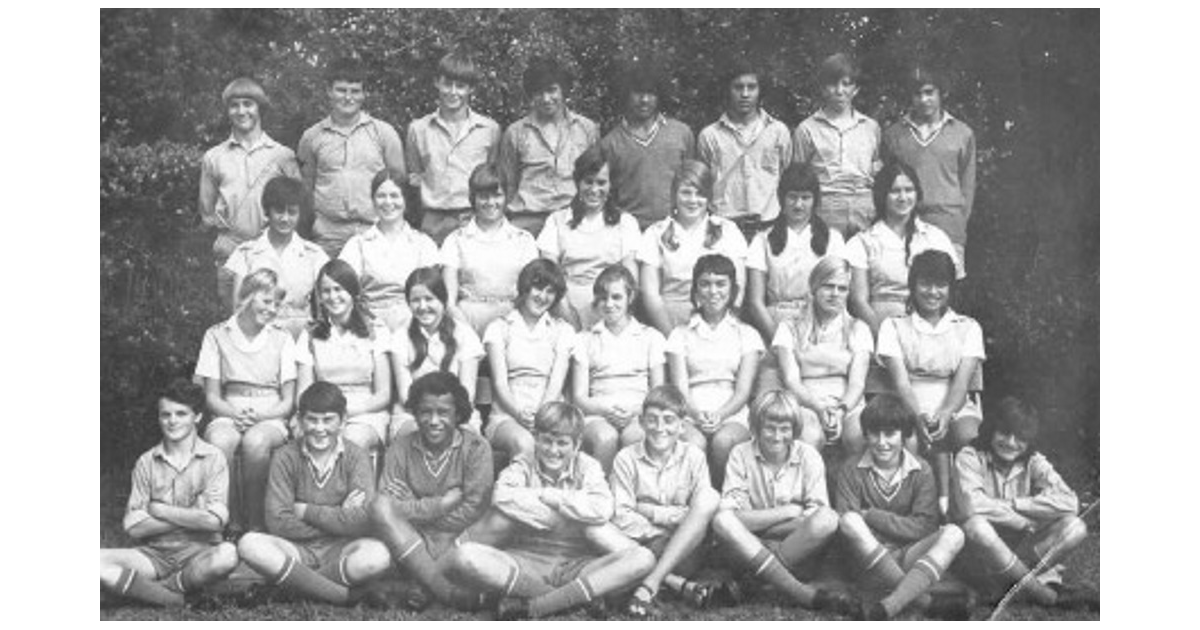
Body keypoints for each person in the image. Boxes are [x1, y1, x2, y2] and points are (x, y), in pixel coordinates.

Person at [444, 402, 656, 619]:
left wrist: (556, 498)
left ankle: (537, 605)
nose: (553, 450)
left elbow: (602, 507)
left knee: (643, 558)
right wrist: (566, 515)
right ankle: (568, 599)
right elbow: (503, 496)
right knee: (465, 556)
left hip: (577, 566)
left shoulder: (588, 466)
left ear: (577, 444)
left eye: (562, 443)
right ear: (536, 438)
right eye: (546, 441)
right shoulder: (524, 464)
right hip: (525, 561)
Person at [237, 382, 392, 606]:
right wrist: (339, 514)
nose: (320, 428)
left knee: (377, 555)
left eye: (328, 419)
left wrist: (304, 510)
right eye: (312, 419)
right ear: (300, 420)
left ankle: (288, 590)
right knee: (249, 544)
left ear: (343, 420)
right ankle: (343, 596)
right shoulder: (285, 457)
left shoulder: (356, 456)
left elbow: (362, 521)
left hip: (341, 548)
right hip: (295, 549)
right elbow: (277, 522)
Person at [710, 390, 855, 615]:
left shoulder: (808, 456)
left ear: (795, 429)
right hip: (750, 545)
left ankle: (752, 584)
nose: (777, 436)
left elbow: (816, 517)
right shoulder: (740, 454)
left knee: (828, 518)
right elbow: (732, 517)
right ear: (756, 427)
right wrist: (787, 512)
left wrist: (759, 522)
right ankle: (801, 592)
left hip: (795, 547)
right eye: (769, 428)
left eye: (785, 429)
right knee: (721, 521)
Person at [100, 380, 238, 608]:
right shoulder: (146, 461)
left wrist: (159, 510)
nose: (172, 421)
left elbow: (214, 522)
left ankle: (162, 590)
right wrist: (194, 515)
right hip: (154, 555)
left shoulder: (214, 458)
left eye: (181, 414)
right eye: (166, 415)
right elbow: (133, 527)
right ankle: (172, 596)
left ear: (197, 417)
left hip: (201, 552)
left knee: (228, 555)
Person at [833, 394, 967, 621]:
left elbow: (925, 527)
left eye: (890, 433)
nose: (882, 442)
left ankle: (887, 605)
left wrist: (871, 515)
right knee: (849, 521)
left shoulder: (921, 470)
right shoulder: (851, 468)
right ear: (865, 434)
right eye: (874, 433)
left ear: (904, 435)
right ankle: (924, 601)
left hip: (909, 558)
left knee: (954, 534)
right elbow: (848, 527)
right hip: (867, 562)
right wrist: (890, 527)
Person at [370, 372, 497, 611]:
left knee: (495, 522)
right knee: (379, 507)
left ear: (458, 413)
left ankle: (419, 582)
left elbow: (474, 507)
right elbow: (389, 504)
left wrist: (414, 505)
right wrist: (442, 504)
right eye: (425, 412)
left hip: (456, 537)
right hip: (411, 535)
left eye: (443, 412)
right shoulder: (400, 447)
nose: (434, 420)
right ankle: (446, 591)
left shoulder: (477, 448)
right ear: (415, 414)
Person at [954, 397, 1096, 610]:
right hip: (981, 556)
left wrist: (1015, 503)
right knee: (977, 526)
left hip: (1022, 548)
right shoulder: (970, 456)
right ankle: (1043, 594)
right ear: (991, 430)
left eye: (1020, 437)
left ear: (1030, 440)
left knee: (1075, 527)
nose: (1011, 442)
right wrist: (1021, 522)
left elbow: (1070, 502)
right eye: (1004, 432)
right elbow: (972, 504)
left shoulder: (1034, 460)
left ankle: (1004, 587)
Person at [877, 249, 984, 515]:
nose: (932, 292)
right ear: (912, 286)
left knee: (967, 435)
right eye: (925, 283)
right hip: (907, 401)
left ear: (950, 288)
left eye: (941, 285)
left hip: (953, 402)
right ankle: (915, 512)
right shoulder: (893, 326)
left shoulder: (968, 327)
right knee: (909, 440)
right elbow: (901, 383)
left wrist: (946, 414)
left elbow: (961, 384)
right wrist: (917, 415)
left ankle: (965, 509)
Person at [195, 268, 297, 533]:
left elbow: (288, 401)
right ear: (248, 297)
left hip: (271, 414)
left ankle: (256, 523)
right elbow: (211, 396)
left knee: (256, 441)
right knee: (221, 441)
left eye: (277, 303)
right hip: (227, 410)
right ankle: (229, 520)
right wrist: (234, 414)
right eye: (266, 301)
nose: (272, 308)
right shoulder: (217, 335)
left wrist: (260, 418)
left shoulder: (282, 338)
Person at [606, 385, 720, 618]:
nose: (660, 428)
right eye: (652, 420)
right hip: (644, 547)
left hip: (686, 549)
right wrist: (660, 531)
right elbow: (621, 515)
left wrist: (650, 512)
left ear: (682, 426)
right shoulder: (626, 459)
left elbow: (701, 511)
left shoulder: (694, 457)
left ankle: (650, 583)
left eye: (668, 420)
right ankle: (677, 585)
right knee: (604, 528)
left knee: (710, 497)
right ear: (640, 422)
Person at [199, 77, 301, 301]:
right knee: (235, 324)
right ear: (227, 110)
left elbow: (298, 205)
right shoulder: (214, 157)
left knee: (276, 320)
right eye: (234, 105)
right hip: (230, 253)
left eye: (248, 104)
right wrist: (226, 229)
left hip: (274, 252)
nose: (241, 111)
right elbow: (206, 213)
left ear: (259, 107)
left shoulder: (282, 155)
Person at [666, 253, 763, 484]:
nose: (713, 291)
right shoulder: (679, 335)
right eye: (705, 284)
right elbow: (680, 389)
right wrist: (698, 415)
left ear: (732, 289)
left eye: (720, 284)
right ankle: (693, 501)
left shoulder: (746, 334)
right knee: (693, 444)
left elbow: (743, 392)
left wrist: (720, 415)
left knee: (724, 442)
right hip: (690, 412)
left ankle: (724, 499)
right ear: (696, 290)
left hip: (732, 411)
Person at [298, 57, 407, 257]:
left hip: (373, 231)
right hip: (328, 236)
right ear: (329, 91)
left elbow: (399, 186)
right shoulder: (312, 137)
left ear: (364, 94)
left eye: (355, 91)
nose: (348, 97)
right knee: (330, 287)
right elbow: (306, 190)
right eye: (341, 90)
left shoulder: (384, 133)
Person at [846, 161, 962, 339]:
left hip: (929, 330)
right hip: (879, 330)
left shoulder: (936, 238)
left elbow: (950, 292)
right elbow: (858, 301)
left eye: (909, 190)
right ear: (882, 195)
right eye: (894, 191)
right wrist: (885, 338)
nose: (903, 197)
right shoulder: (862, 242)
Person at [571, 265, 666, 472]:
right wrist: (605, 409)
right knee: (606, 438)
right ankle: (600, 497)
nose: (609, 304)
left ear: (630, 298)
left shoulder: (651, 337)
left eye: (616, 297)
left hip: (639, 412)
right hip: (597, 414)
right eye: (603, 298)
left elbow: (658, 394)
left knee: (636, 437)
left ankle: (633, 498)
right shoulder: (584, 339)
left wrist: (635, 411)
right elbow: (579, 396)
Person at [536, 145, 641, 330]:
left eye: (601, 183)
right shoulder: (557, 221)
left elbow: (630, 276)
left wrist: (614, 318)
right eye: (588, 181)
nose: (594, 189)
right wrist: (567, 314)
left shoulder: (626, 223)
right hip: (565, 308)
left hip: (612, 308)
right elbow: (549, 273)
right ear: (578, 182)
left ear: (611, 185)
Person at [773, 256, 872, 453]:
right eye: (828, 286)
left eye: (842, 288)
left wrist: (841, 411)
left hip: (848, 404)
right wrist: (818, 408)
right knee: (809, 436)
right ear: (814, 288)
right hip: (805, 404)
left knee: (859, 436)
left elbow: (857, 383)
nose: (835, 294)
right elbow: (792, 381)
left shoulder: (858, 329)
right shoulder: (789, 328)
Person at [638, 160, 748, 336]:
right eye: (686, 193)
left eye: (700, 194)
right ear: (674, 195)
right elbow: (651, 295)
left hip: (718, 321)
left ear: (709, 197)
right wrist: (672, 338)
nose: (693, 200)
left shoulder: (728, 231)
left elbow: (738, 287)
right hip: (669, 321)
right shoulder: (656, 233)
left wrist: (720, 329)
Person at [482, 259, 575, 464]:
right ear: (525, 287)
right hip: (507, 416)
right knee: (525, 442)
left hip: (552, 414)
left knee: (557, 444)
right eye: (538, 287)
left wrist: (543, 416)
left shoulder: (563, 331)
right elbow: (500, 383)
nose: (542, 296)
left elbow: (556, 382)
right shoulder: (499, 328)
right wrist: (519, 413)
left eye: (550, 292)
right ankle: (521, 496)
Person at [296, 259, 393, 455]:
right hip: (321, 413)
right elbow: (302, 394)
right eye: (326, 291)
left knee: (351, 441)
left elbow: (383, 394)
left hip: (365, 413)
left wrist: (347, 412)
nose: (333, 297)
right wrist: (323, 417)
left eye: (339, 289)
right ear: (320, 297)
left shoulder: (376, 330)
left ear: (353, 291)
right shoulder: (310, 334)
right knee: (309, 440)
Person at [882, 65, 976, 267]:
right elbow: (885, 184)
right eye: (917, 94)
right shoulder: (894, 135)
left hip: (949, 225)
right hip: (905, 224)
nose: (924, 100)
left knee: (944, 290)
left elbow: (967, 187)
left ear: (941, 93)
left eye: (929, 92)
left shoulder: (962, 133)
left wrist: (958, 222)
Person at [405, 50, 502, 245]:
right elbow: (415, 176)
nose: (453, 92)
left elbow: (491, 174)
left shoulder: (489, 129)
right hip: (432, 222)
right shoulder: (418, 129)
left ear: (471, 89)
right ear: (437, 83)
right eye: (447, 84)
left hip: (474, 219)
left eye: (461, 86)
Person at [497, 56, 600, 236]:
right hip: (528, 221)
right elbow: (507, 185)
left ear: (564, 91)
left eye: (552, 90)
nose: (546, 99)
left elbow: (596, 179)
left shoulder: (586, 129)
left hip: (573, 218)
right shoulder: (515, 133)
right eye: (538, 92)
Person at [440, 162, 540, 338]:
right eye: (483, 196)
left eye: (497, 195)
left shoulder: (524, 240)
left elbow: (530, 295)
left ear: (507, 197)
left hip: (511, 321)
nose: (490, 202)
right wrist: (467, 334)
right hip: (467, 321)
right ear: (473, 198)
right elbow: (449, 303)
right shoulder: (455, 240)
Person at [697, 58, 793, 236]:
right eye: (738, 87)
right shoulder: (709, 136)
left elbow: (787, 179)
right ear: (727, 90)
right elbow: (702, 186)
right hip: (724, 228)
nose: (745, 94)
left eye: (752, 87)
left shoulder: (778, 131)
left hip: (769, 227)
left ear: (760, 90)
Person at [223, 175, 328, 336]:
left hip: (300, 340)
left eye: (292, 212)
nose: (285, 218)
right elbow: (239, 309)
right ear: (268, 211)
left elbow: (327, 307)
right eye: (279, 211)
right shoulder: (246, 254)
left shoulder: (314, 255)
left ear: (300, 215)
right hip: (259, 339)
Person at [597, 60, 696, 231]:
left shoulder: (681, 133)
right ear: (626, 94)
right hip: (629, 231)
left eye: (651, 93)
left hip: (675, 227)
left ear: (660, 96)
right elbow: (605, 194)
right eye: (638, 93)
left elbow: (693, 182)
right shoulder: (609, 144)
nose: (644, 100)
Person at [792, 52, 882, 237]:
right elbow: (798, 178)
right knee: (828, 263)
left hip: (864, 206)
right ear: (823, 88)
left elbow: (875, 170)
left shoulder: (871, 127)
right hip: (825, 206)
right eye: (833, 84)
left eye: (846, 84)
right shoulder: (807, 129)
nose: (839, 91)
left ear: (856, 89)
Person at [390, 267, 486, 439]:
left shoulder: (464, 334)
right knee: (414, 432)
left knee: (466, 437)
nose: (422, 307)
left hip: (458, 412)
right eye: (415, 300)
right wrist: (430, 416)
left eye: (429, 299)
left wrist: (442, 416)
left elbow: (467, 393)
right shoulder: (401, 336)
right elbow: (405, 395)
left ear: (442, 299)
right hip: (411, 413)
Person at [338, 170, 440, 332]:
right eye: (381, 196)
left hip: (415, 320)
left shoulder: (423, 243)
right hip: (370, 322)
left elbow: (432, 292)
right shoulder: (358, 244)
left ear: (405, 200)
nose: (388, 202)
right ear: (373, 200)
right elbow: (343, 289)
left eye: (395, 196)